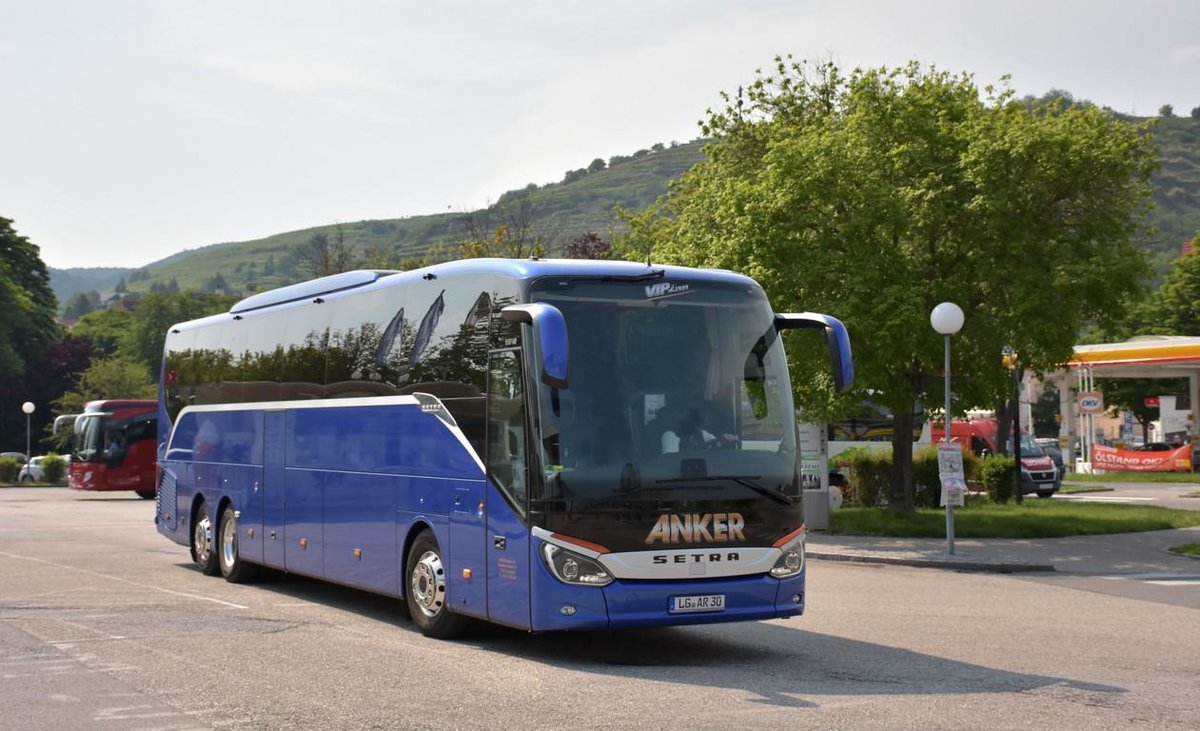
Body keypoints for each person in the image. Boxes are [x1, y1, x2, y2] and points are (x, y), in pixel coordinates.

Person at [660, 406, 737, 453]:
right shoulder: (670, 436)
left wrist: (723, 439)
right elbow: (670, 461)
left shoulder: (702, 434)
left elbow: (715, 443)